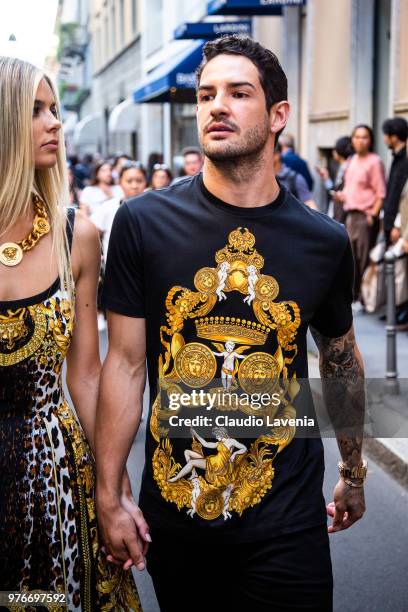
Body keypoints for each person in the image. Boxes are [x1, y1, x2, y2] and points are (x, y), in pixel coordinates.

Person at [97, 35, 367, 612]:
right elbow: (123, 363)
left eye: (238, 93)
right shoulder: (143, 223)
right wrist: (110, 493)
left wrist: (355, 471)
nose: (216, 105)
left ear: (278, 116)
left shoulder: (322, 241)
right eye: (206, 94)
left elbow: (342, 359)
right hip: (179, 517)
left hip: (289, 521)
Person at [0, 56, 143, 610]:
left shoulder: (76, 235)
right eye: (36, 110)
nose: (55, 122)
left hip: (56, 467)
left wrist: (114, 490)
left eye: (54, 109)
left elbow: (86, 375)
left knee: (50, 603)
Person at [335, 124, 386, 308]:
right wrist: (342, 195)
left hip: (365, 217)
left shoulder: (374, 161)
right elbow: (350, 187)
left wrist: (373, 214)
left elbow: (381, 192)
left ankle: (364, 298)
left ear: (370, 140)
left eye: (364, 137)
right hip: (350, 215)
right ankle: (354, 296)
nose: (360, 140)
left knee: (364, 258)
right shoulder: (351, 161)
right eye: (356, 137)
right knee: (351, 258)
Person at [91, 161, 148, 262]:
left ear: (146, 182)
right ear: (120, 182)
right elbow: (90, 234)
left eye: (139, 181)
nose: (134, 186)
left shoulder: (153, 207)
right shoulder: (108, 207)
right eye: (129, 181)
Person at [382, 117, 408, 246]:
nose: (384, 139)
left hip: (398, 226)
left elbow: (403, 194)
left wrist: (397, 225)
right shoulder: (396, 157)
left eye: (386, 135)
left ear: (394, 137)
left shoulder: (404, 160)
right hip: (389, 221)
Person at [316, 136, 354, 223]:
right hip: (337, 211)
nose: (333, 152)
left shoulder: (348, 167)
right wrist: (326, 178)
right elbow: (335, 189)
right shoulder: (342, 167)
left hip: (343, 213)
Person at [273, 141, 317, 208]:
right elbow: (310, 183)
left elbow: (309, 202)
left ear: (277, 155)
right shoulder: (301, 161)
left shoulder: (295, 178)